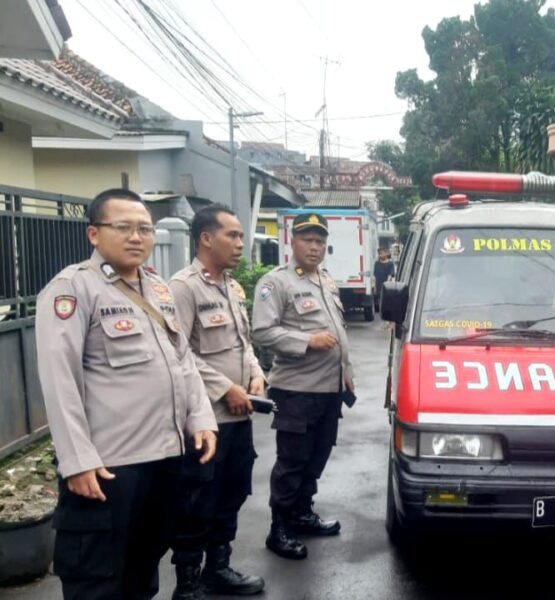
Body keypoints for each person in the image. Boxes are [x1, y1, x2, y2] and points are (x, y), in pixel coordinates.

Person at [36, 188, 217, 600]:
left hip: (162, 460)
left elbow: (182, 360)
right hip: (108, 469)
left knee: (142, 573)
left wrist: (201, 418)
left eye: (145, 229)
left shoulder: (157, 289)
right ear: (94, 234)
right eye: (124, 228)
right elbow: (59, 380)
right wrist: (77, 460)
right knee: (98, 581)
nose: (137, 237)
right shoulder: (72, 290)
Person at [168, 205, 266, 599]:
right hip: (206, 419)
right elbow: (178, 352)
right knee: (198, 499)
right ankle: (188, 583)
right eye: (233, 236)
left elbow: (243, 344)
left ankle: (218, 569)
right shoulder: (183, 287)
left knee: (232, 493)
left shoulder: (231, 286)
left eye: (241, 237)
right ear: (206, 238)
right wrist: (226, 387)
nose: (241, 244)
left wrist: (257, 372)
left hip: (240, 416)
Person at [252, 212, 355, 560]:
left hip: (328, 388)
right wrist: (306, 340)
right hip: (297, 389)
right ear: (292, 242)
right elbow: (262, 332)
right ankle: (279, 528)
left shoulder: (325, 280)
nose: (314, 247)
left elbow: (340, 333)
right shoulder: (275, 282)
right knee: (292, 461)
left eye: (320, 241)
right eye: (307, 240)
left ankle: (302, 512)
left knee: (317, 455)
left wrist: (347, 372)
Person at [373, 247, 395, 311]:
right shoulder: (377, 263)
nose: (380, 255)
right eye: (379, 254)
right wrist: (374, 286)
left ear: (386, 254)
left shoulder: (390, 264)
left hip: (386, 285)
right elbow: (375, 275)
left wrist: (387, 283)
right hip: (378, 285)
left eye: (381, 253)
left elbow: (391, 274)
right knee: (379, 298)